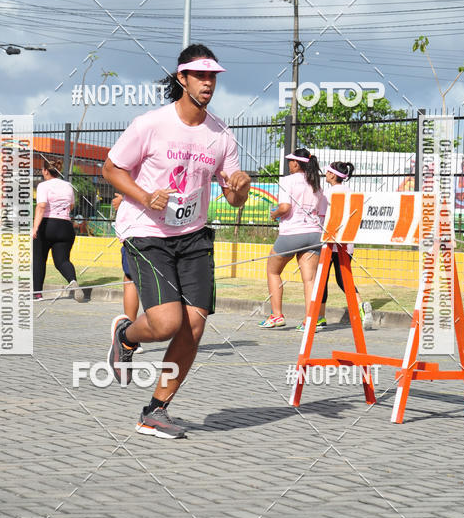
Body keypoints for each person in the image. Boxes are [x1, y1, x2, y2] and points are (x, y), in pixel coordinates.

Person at [102, 44, 250, 439]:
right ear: (181, 78)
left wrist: (241, 186)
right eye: (200, 76)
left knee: (194, 327)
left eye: (213, 77)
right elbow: (111, 168)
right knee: (167, 322)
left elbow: (234, 197)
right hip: (147, 232)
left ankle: (156, 410)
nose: (208, 83)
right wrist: (145, 196)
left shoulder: (221, 134)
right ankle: (126, 337)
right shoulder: (151, 123)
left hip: (193, 236)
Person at [259, 148, 327, 329]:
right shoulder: (316, 184)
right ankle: (310, 320)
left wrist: (274, 214)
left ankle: (276, 315)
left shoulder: (288, 181)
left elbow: (285, 207)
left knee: (273, 271)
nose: (288, 164)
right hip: (314, 234)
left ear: (296, 163)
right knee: (310, 280)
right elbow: (321, 212)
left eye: (290, 161)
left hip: (292, 233)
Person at [318, 161, 373, 329]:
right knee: (344, 279)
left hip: (330, 243)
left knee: (322, 280)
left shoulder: (327, 194)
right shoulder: (351, 192)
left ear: (333, 175)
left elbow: (321, 216)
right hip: (347, 243)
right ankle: (361, 305)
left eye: (327, 172)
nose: (325, 174)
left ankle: (320, 317)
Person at [32, 160, 84, 302]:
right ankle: (72, 280)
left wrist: (35, 227)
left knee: (39, 259)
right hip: (65, 226)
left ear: (45, 171)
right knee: (62, 261)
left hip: (47, 225)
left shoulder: (43, 186)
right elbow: (71, 205)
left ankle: (37, 294)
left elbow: (41, 206)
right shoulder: (68, 185)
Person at [111, 192, 143, 353]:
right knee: (132, 279)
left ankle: (130, 336)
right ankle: (131, 336)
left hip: (140, 231)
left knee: (132, 280)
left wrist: (125, 199)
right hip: (147, 230)